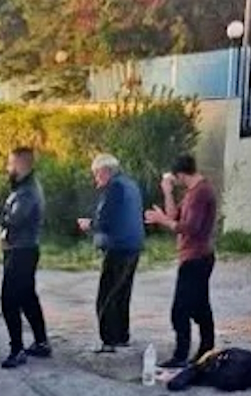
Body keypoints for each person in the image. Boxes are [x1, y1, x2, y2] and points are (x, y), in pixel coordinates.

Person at [0, 146, 51, 369]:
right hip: (21, 250)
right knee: (27, 297)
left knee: (9, 300)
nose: (7, 168)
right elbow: (13, 215)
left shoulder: (27, 192)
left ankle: (17, 349)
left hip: (21, 252)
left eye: (10, 163)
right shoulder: (22, 188)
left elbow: (15, 220)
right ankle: (41, 342)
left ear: (20, 165)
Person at [144, 153, 219, 368]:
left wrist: (162, 220)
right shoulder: (193, 192)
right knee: (200, 307)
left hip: (196, 257)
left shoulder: (200, 193)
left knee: (180, 310)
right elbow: (174, 216)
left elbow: (190, 228)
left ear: (180, 175)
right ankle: (207, 350)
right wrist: (167, 193)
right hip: (196, 256)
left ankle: (181, 355)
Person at [78, 153, 145, 353]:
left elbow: (106, 220)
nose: (95, 179)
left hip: (118, 247)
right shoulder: (131, 185)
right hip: (133, 245)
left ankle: (108, 340)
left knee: (106, 296)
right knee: (122, 293)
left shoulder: (114, 188)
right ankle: (122, 335)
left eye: (96, 173)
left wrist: (89, 224)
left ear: (105, 171)